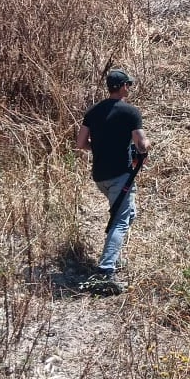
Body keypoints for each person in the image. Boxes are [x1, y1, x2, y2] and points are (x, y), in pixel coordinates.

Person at [76, 68, 150, 294]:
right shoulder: (130, 112)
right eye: (128, 84)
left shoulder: (93, 111)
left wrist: (98, 149)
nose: (130, 88)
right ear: (123, 87)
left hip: (100, 177)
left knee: (128, 214)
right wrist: (145, 147)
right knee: (120, 220)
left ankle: (112, 255)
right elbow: (142, 143)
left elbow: (80, 143)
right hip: (121, 176)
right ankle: (106, 271)